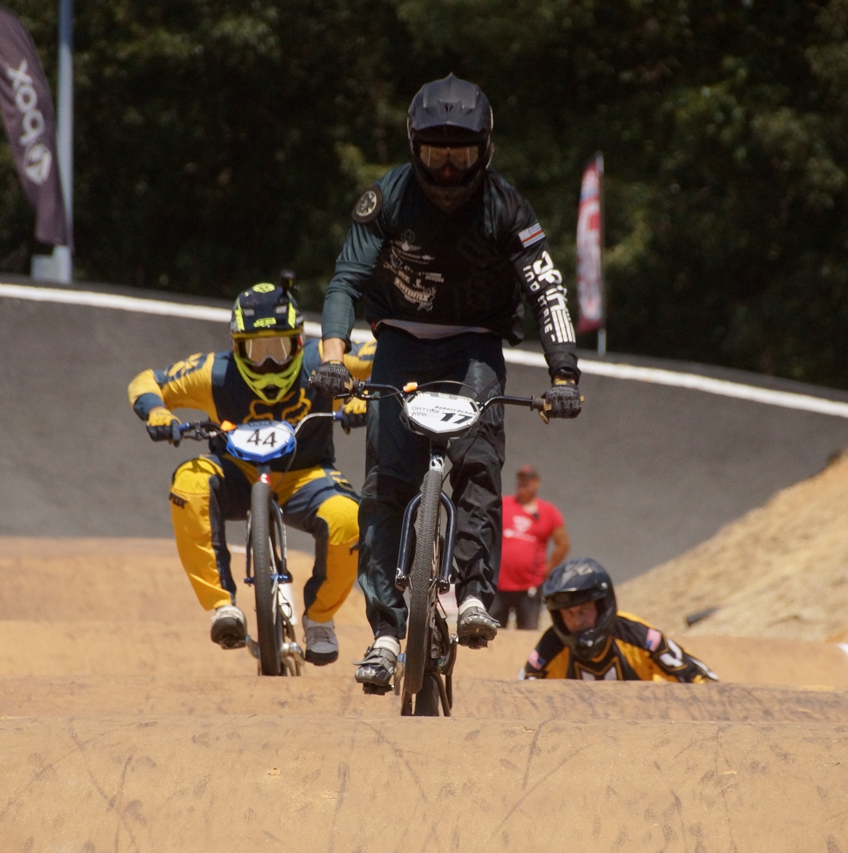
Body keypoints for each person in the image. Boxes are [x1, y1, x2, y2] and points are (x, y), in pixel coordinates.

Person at [309, 73, 583, 694]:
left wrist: (564, 374)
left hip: (475, 344)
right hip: (399, 341)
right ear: (414, 147)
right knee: (386, 482)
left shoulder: (508, 207)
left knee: (479, 463)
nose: (450, 168)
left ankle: (475, 596)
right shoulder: (386, 198)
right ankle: (385, 633)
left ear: (485, 149)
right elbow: (345, 282)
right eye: (436, 153)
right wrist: (333, 356)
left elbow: (547, 289)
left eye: (461, 153)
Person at [127, 279, 373, 664]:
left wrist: (365, 395)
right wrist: (157, 411)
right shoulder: (215, 372)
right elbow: (148, 380)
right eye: (256, 351)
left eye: (279, 348)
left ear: (299, 342)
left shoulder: (323, 361)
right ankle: (223, 606)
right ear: (236, 346)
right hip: (236, 472)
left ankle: (320, 619)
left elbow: (388, 357)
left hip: (305, 475)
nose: (268, 362)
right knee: (189, 482)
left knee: (349, 519)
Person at [521, 558, 718, 682]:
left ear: (602, 607)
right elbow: (520, 696)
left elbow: (703, 680)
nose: (578, 621)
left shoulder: (638, 636)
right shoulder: (549, 648)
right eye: (568, 614)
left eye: (584, 610)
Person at [491, 464, 569, 629]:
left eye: (528, 479)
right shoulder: (503, 504)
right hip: (498, 584)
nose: (523, 483)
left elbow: (563, 544)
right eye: (520, 479)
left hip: (529, 586)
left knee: (528, 631)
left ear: (537, 483)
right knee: (492, 630)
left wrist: (547, 570)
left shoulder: (548, 511)